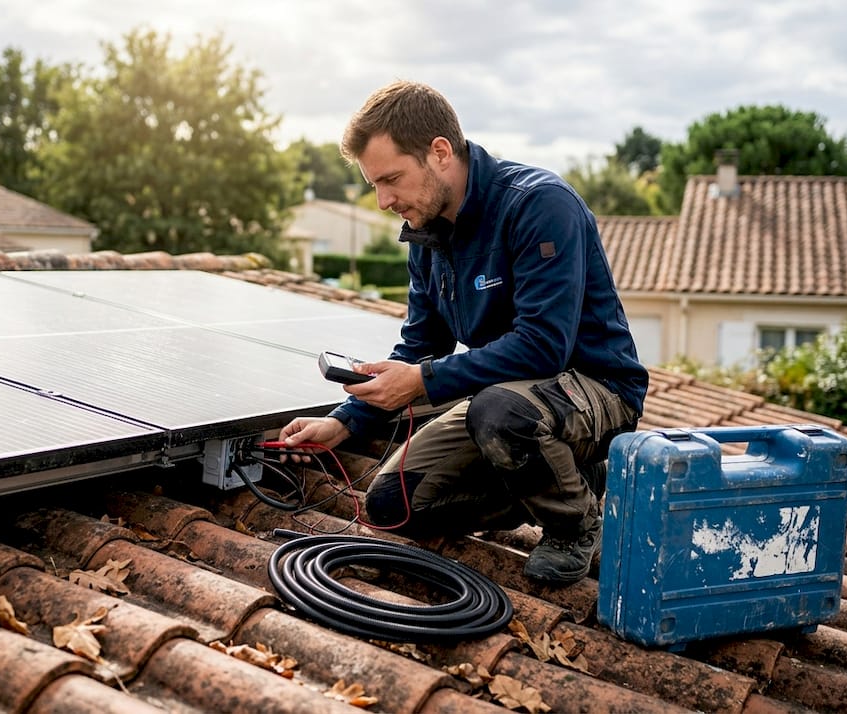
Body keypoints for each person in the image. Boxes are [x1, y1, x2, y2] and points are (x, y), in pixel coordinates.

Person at [278, 80, 648, 588]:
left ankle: (575, 522)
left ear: (440, 152)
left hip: (595, 389)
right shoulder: (426, 233)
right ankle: (569, 475)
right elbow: (421, 346)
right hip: (506, 401)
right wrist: (345, 422)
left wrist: (423, 381)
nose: (384, 201)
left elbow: (544, 345)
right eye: (374, 185)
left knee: (498, 411)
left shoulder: (539, 205)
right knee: (392, 507)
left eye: (392, 179)